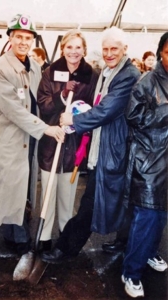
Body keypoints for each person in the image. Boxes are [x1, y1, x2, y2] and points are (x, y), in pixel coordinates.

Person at [40, 26, 141, 264]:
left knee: (91, 203)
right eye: (105, 49)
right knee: (120, 199)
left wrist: (74, 119)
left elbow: (106, 110)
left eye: (114, 48)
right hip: (101, 147)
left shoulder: (126, 75)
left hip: (112, 150)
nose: (108, 53)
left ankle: (65, 249)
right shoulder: (106, 72)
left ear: (125, 49)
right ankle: (124, 242)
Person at [0, 13, 64, 262]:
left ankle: (12, 232)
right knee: (11, 186)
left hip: (29, 137)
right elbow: (12, 109)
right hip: (9, 138)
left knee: (23, 186)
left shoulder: (34, 66)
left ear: (32, 40)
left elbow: (41, 99)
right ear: (10, 37)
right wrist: (45, 129)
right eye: (18, 37)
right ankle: (18, 238)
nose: (23, 42)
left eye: (27, 38)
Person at [37, 29, 99, 252]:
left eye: (78, 47)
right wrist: (62, 95)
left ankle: (65, 237)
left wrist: (76, 118)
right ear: (62, 48)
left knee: (67, 195)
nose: (73, 52)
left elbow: (96, 108)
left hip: (75, 145)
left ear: (84, 49)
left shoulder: (92, 75)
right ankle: (43, 238)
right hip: (51, 143)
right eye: (69, 47)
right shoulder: (50, 72)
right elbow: (43, 104)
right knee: (48, 192)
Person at [121, 32, 168, 298]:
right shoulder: (147, 81)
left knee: (161, 217)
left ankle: (149, 253)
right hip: (149, 162)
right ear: (161, 52)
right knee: (147, 217)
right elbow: (133, 116)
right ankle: (131, 272)